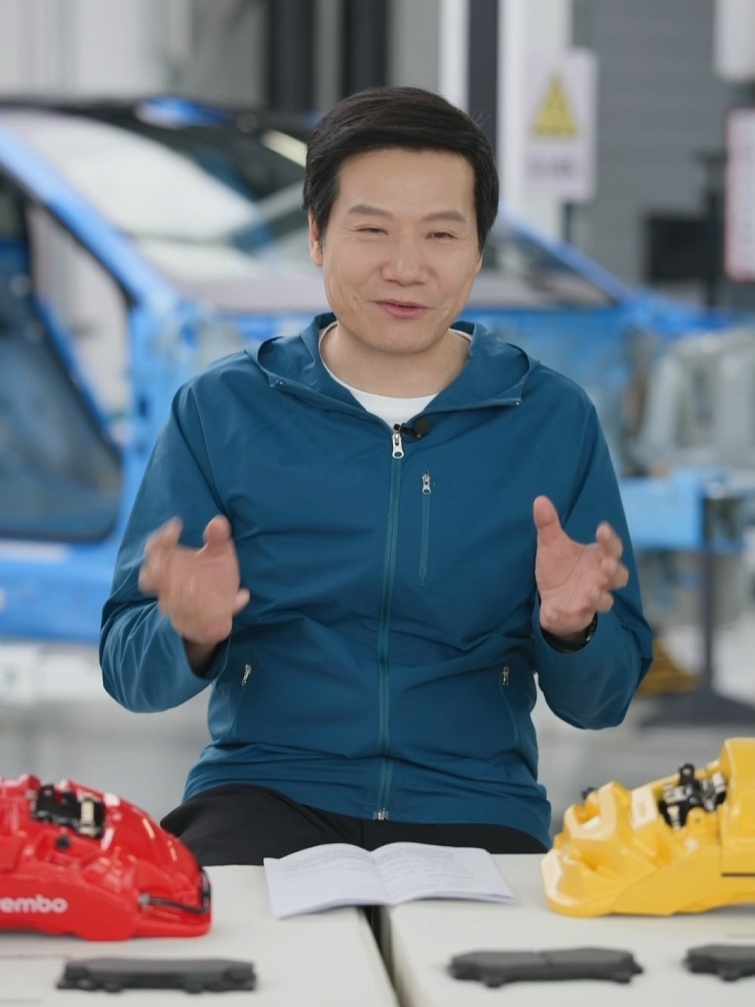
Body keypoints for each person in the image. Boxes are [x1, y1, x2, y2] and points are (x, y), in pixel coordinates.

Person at [99, 85, 653, 866]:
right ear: (316, 234)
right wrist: (185, 630)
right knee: (208, 934)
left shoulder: (551, 418)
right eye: (372, 229)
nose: (406, 267)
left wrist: (573, 628)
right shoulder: (221, 410)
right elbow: (130, 673)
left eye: (440, 234)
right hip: (262, 791)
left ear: (478, 248)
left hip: (476, 803)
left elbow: (603, 700)